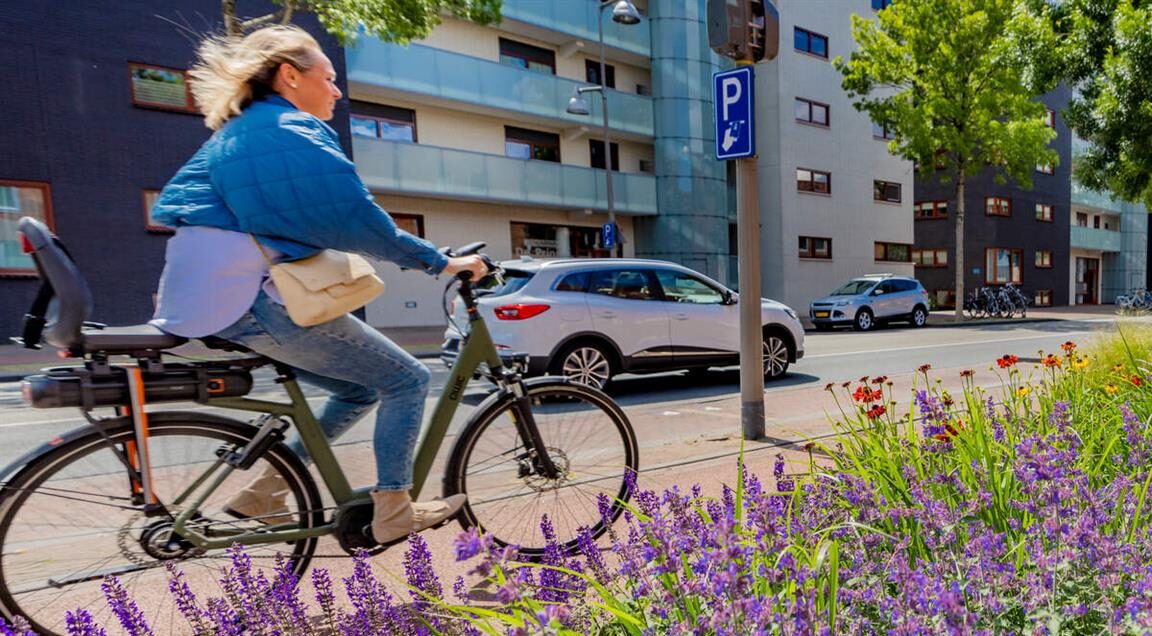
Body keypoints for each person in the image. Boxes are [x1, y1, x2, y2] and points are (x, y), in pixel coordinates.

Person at [149, 25, 487, 545]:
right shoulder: (286, 130)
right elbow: (354, 219)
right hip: (249, 297)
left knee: (357, 390)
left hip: (212, 296)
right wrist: (439, 262)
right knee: (407, 380)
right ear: (289, 76)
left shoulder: (242, 130)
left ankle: (265, 491)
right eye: (328, 78)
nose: (336, 91)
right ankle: (395, 509)